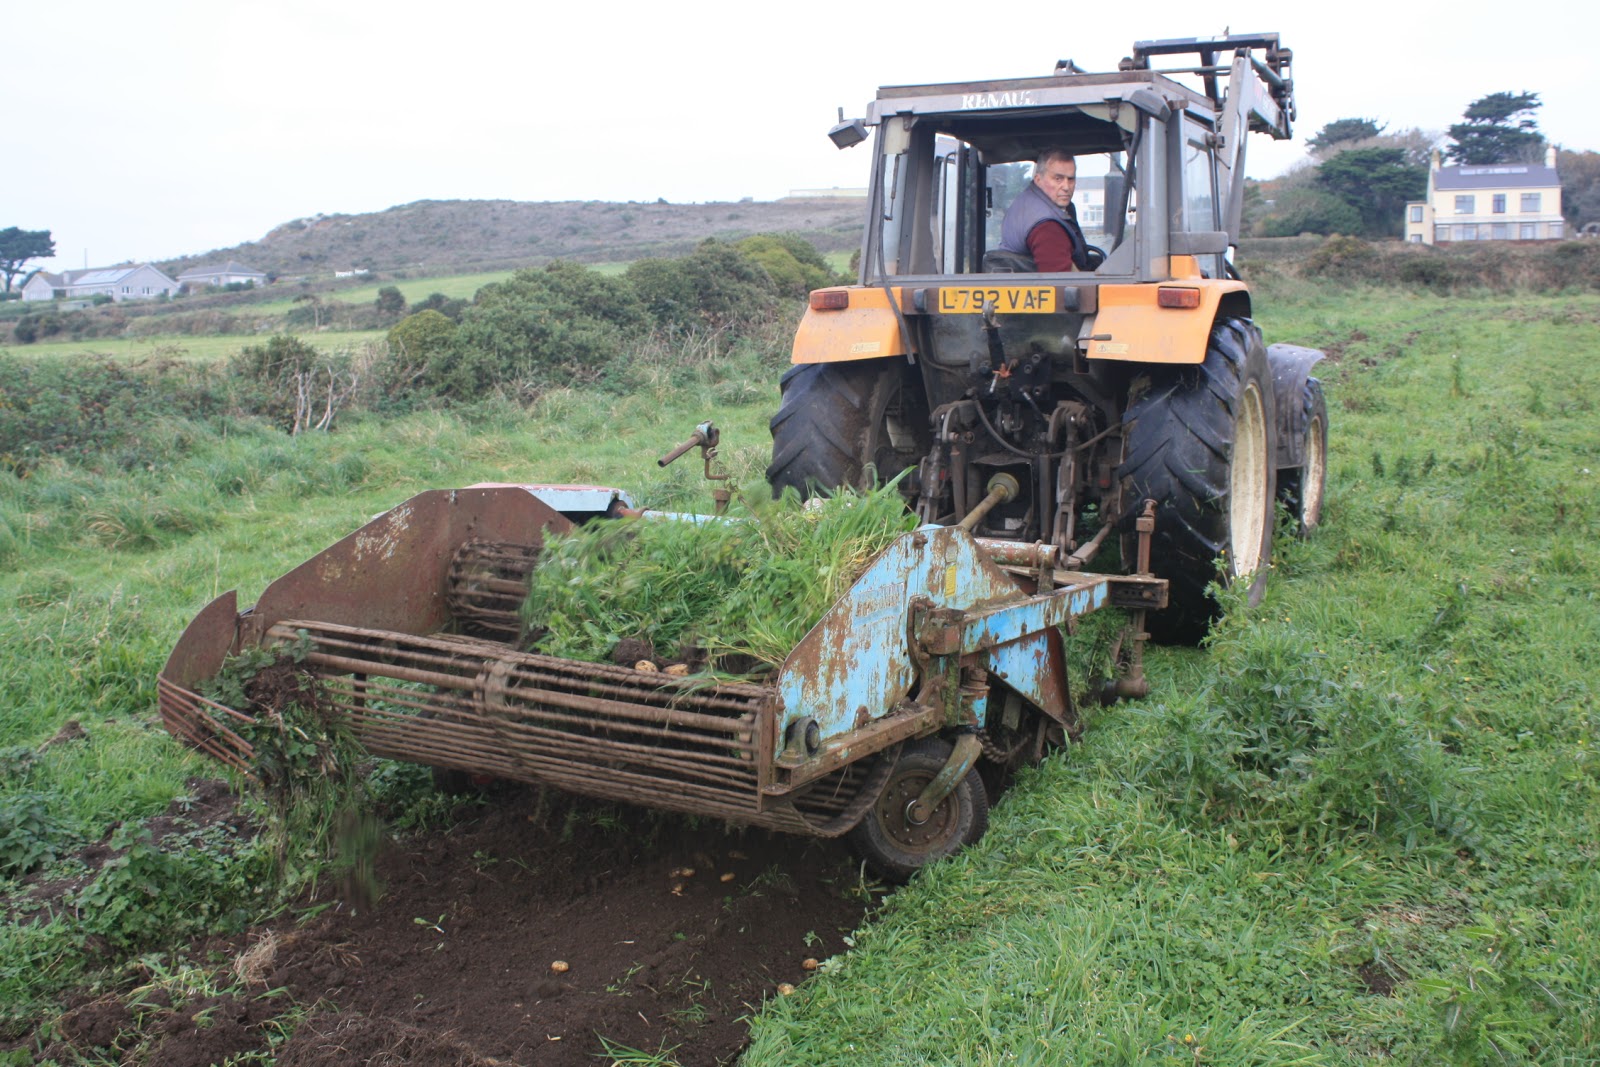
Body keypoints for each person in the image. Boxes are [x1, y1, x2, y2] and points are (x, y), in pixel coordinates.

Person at [999, 149, 1093, 271]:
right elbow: (1062, 284)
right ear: (1038, 180)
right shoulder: (1047, 226)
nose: (1066, 187)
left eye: (1071, 179)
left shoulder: (1027, 202)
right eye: (1058, 179)